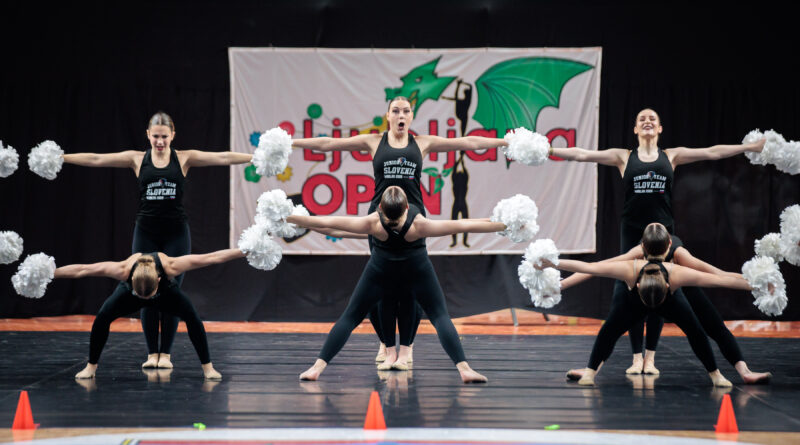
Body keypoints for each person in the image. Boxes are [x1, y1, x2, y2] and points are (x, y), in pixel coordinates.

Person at [292, 97, 509, 367]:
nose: (401, 115)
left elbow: (468, 143)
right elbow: (328, 144)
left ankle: (406, 348)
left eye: (406, 111)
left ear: (411, 116)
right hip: (379, 220)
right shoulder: (374, 142)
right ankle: (386, 345)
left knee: (409, 287)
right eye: (395, 111)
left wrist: (504, 142)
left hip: (413, 220)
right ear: (388, 116)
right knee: (381, 287)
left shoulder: (423, 143)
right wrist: (290, 143)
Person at [550, 108, 765, 374]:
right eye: (642, 119)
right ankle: (621, 362)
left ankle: (659, 360)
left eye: (652, 118)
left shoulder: (671, 156)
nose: (648, 121)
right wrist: (547, 150)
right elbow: (581, 154)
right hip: (633, 237)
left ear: (660, 128)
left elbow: (713, 152)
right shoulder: (623, 157)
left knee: (686, 301)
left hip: (665, 241)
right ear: (635, 129)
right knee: (623, 301)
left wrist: (750, 147)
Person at [62, 111, 254, 369]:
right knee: (145, 288)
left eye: (164, 136)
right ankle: (152, 353)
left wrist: (256, 157)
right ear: (148, 135)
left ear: (173, 135)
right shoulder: (136, 159)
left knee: (169, 292)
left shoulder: (184, 158)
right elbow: (97, 159)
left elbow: (223, 157)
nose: (160, 142)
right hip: (146, 233)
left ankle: (166, 355)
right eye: (155, 137)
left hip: (176, 234)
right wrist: (61, 158)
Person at [286, 186, 507, 383]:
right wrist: (504, 223)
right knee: (440, 316)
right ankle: (465, 369)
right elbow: (463, 224)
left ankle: (317, 368)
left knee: (350, 317)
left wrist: (289, 218)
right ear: (407, 208)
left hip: (381, 270)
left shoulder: (373, 222)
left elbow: (327, 224)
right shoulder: (418, 224)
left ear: (380, 208)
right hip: (416, 270)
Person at [537, 223, 774, 387]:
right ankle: (716, 376)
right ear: (668, 244)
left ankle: (590, 373)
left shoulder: (634, 266)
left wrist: (551, 263)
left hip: (648, 298)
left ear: (643, 247)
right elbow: (720, 279)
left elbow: (591, 268)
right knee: (694, 331)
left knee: (610, 330)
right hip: (664, 298)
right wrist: (758, 284)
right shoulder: (675, 270)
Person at [54, 248, 245, 380]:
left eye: (148, 296)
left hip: (166, 295)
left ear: (159, 279)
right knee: (103, 317)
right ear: (131, 280)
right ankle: (91, 367)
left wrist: (246, 250)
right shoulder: (123, 270)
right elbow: (83, 269)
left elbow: (211, 257)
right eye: (142, 296)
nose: (146, 300)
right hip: (129, 296)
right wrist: (49, 273)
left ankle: (208, 367)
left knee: (193, 317)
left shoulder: (170, 266)